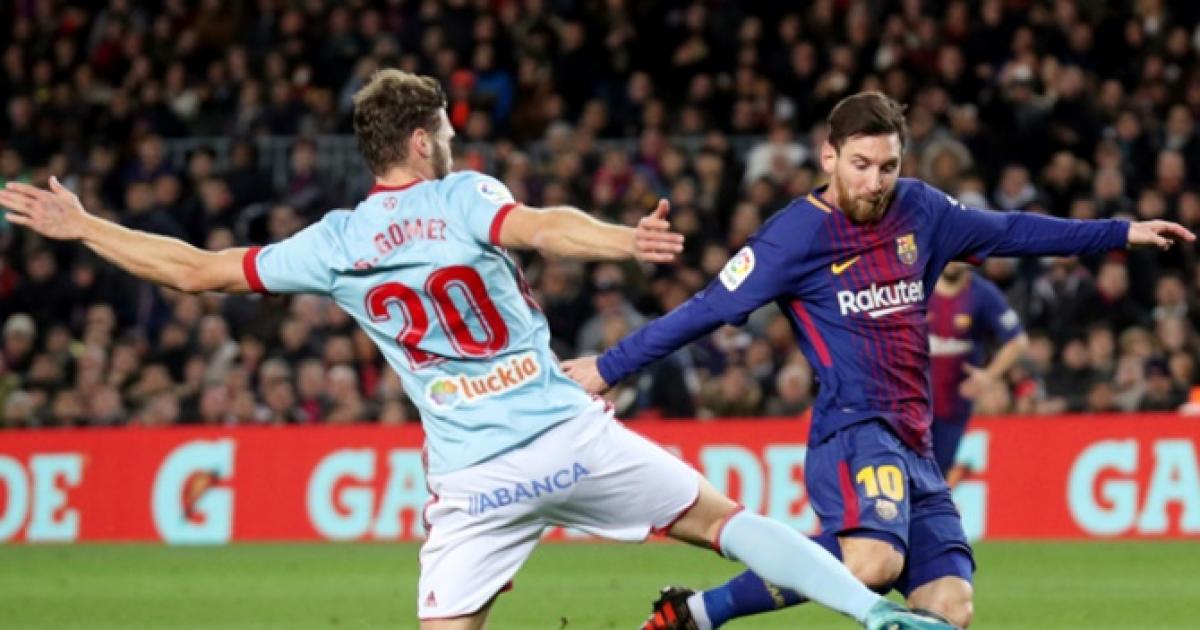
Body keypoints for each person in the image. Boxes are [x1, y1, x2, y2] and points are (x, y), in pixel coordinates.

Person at [0, 71, 952, 630]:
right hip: (568, 435)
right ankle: (871, 611)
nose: (454, 140)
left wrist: (85, 227)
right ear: (423, 141)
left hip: (472, 480)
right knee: (728, 523)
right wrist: (624, 240)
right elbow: (541, 225)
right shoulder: (463, 196)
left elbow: (194, 271)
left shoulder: (335, 242)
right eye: (447, 130)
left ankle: (868, 608)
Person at [564, 91, 1193, 630]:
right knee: (871, 562)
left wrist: (1121, 231)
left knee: (950, 608)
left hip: (917, 443)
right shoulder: (793, 236)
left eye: (888, 166)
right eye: (861, 165)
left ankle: (693, 613)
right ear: (829, 157)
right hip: (854, 428)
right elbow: (707, 308)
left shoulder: (921, 210)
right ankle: (700, 614)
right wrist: (609, 366)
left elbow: (1010, 231)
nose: (875, 182)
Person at [928, 262, 1028, 487]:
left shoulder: (982, 294)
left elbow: (1018, 341)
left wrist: (989, 375)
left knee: (934, 481)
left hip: (952, 409)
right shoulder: (916, 286)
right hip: (908, 406)